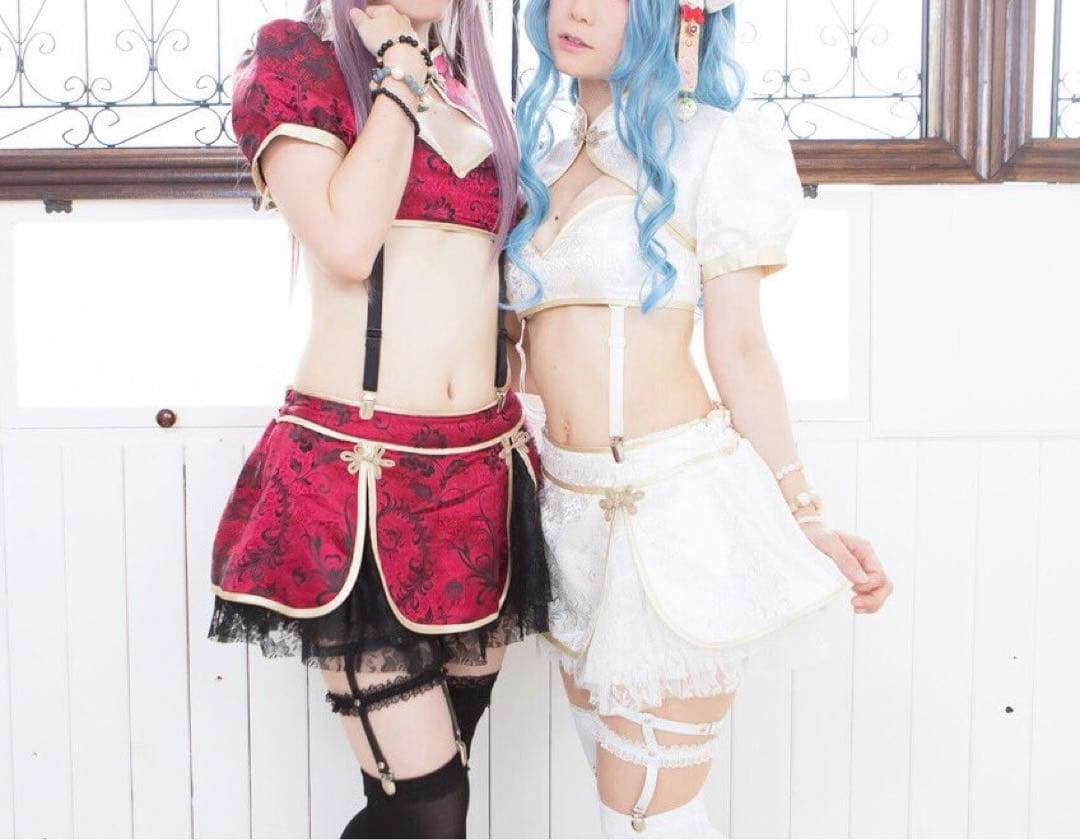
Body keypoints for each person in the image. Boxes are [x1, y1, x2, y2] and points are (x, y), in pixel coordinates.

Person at [504, 0, 893, 834]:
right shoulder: (538, 160)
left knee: (645, 819)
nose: (573, 10)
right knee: (628, 812)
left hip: (675, 516)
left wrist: (805, 513)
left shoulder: (713, 145)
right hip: (568, 520)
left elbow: (741, 348)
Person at [209, 1, 550, 836]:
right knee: (432, 811)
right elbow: (347, 243)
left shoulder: (469, 86)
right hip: (358, 475)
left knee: (420, 800)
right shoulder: (297, 58)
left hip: (478, 475)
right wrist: (396, 68)